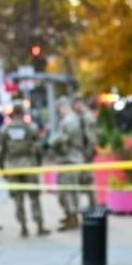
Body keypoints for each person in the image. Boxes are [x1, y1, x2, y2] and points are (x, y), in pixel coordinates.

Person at [0, 111, 48, 238]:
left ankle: (23, 227)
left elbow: (0, 151)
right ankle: (39, 225)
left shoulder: (5, 129)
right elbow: (39, 148)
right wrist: (38, 164)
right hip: (29, 165)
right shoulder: (31, 127)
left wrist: (2, 169)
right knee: (34, 197)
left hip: (13, 167)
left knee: (18, 198)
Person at [49, 99, 94, 231]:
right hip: (72, 159)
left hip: (70, 159)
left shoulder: (69, 120)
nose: (58, 112)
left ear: (63, 107)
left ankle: (72, 217)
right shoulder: (74, 119)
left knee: (67, 191)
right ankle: (70, 215)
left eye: (59, 109)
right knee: (69, 190)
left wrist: (52, 141)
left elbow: (65, 138)